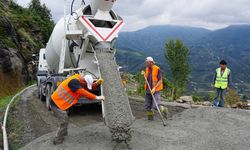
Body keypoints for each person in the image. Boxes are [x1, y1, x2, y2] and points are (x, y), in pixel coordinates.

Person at [50, 73, 105, 145]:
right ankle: (57, 141)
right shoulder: (73, 82)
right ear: (83, 81)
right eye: (85, 83)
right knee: (64, 121)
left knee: (65, 119)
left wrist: (96, 84)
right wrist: (97, 97)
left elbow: (87, 89)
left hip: (62, 104)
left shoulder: (80, 82)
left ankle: (64, 135)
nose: (85, 85)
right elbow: (84, 92)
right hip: (55, 103)